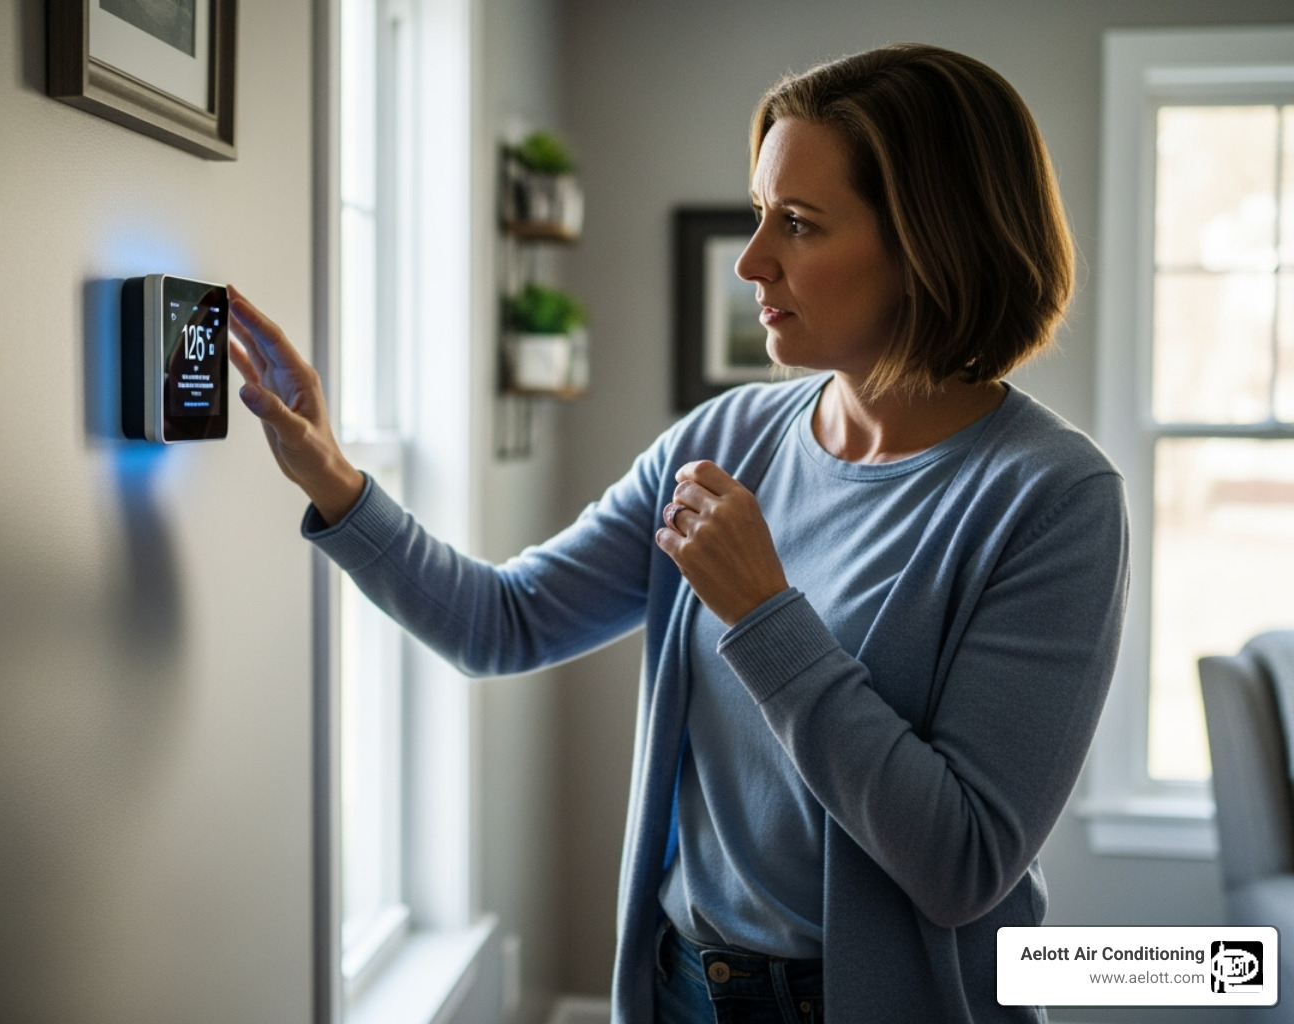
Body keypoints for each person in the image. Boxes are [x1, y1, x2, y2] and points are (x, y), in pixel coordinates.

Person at [228, 43, 1128, 1024]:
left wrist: (764, 612)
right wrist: (333, 476)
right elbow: (506, 621)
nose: (752, 261)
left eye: (798, 223)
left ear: (929, 244)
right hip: (680, 990)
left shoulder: (1051, 498)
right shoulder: (725, 440)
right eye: (758, 214)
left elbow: (964, 863)